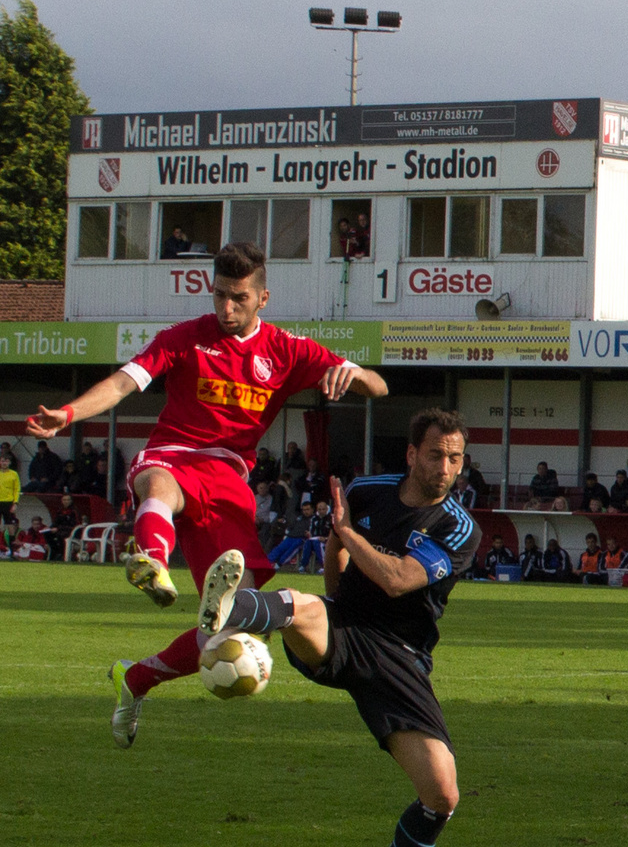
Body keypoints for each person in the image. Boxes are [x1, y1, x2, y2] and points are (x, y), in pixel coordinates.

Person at [25, 242, 387, 748]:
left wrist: (355, 374)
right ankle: (151, 560)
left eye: (238, 298)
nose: (225, 308)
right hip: (172, 454)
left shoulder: (288, 351)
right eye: (218, 295)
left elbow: (380, 386)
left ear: (263, 297)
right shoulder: (184, 338)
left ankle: (135, 680)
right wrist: (67, 414)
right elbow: (122, 383)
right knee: (159, 487)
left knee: (228, 628)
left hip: (228, 480)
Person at [193, 408, 481, 847]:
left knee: (441, 795)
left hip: (399, 657)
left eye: (456, 457)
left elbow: (397, 581)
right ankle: (230, 610)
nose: (446, 467)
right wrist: (336, 574)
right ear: (412, 455)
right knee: (302, 608)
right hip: (345, 628)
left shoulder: (458, 527)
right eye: (437, 455)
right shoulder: (371, 490)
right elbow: (337, 551)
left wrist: (346, 530)